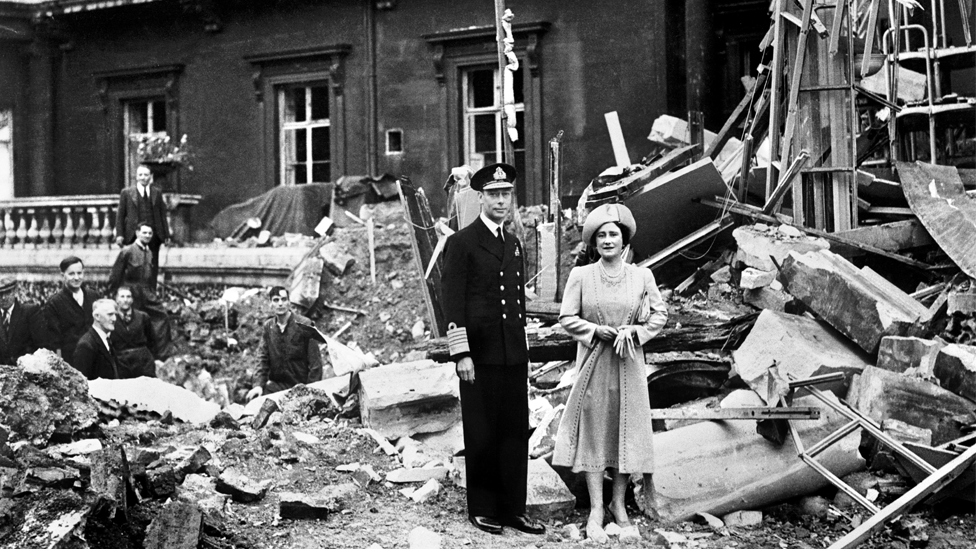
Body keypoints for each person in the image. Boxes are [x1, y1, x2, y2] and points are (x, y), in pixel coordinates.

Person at [552, 203, 668, 544]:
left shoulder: (641, 276)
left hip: (628, 362)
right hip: (594, 363)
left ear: (624, 240)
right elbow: (566, 317)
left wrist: (634, 332)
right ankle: (596, 509)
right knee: (594, 429)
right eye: (601, 235)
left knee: (625, 428)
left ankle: (619, 505)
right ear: (593, 242)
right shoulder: (581, 276)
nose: (607, 240)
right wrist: (593, 330)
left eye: (613, 234)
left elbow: (659, 315)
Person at [440, 163, 544, 537]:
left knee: (515, 432)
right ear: (480, 197)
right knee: (482, 432)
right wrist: (461, 354)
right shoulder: (462, 242)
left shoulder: (513, 244)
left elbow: (516, 304)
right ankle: (483, 507)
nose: (501, 201)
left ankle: (513, 508)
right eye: (494, 195)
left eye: (506, 194)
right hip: (478, 357)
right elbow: (452, 304)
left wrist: (525, 353)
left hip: (512, 354)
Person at [245, 286, 323, 400]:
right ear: (271, 304)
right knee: (256, 402)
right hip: (277, 387)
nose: (280, 304)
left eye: (283, 299)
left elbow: (315, 364)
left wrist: (310, 392)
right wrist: (258, 385)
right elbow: (262, 359)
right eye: (276, 300)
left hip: (301, 388)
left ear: (289, 302)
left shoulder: (304, 324)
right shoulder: (269, 327)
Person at [115, 164, 170, 288]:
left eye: (146, 175)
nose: (143, 178)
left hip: (153, 236)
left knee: (152, 265)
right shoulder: (127, 193)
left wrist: (166, 234)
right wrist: (119, 234)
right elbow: (120, 215)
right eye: (140, 175)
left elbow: (162, 215)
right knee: (133, 266)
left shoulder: (157, 192)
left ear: (151, 176)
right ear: (136, 177)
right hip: (133, 236)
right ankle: (133, 294)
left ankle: (151, 293)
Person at [44, 256, 98, 366]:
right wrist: (60, 366)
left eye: (79, 273)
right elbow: (55, 341)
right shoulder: (54, 303)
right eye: (71, 274)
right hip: (71, 359)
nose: (76, 277)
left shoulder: (93, 296)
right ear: (63, 275)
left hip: (95, 356)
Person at [110, 286, 157, 378]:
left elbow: (152, 340)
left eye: (128, 297)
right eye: (122, 297)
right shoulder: (111, 318)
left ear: (132, 299)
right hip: (121, 362)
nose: (125, 300)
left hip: (142, 362)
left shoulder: (143, 317)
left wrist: (151, 358)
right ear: (116, 299)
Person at [0, 277, 48, 365]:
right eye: (0, 294)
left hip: (25, 369)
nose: (3, 298)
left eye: (7, 293)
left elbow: (42, 345)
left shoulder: (30, 312)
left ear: (15, 292)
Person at [72, 298, 122, 380]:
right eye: (110, 314)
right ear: (97, 316)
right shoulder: (86, 345)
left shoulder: (106, 339)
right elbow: (82, 382)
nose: (114, 319)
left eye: (115, 314)